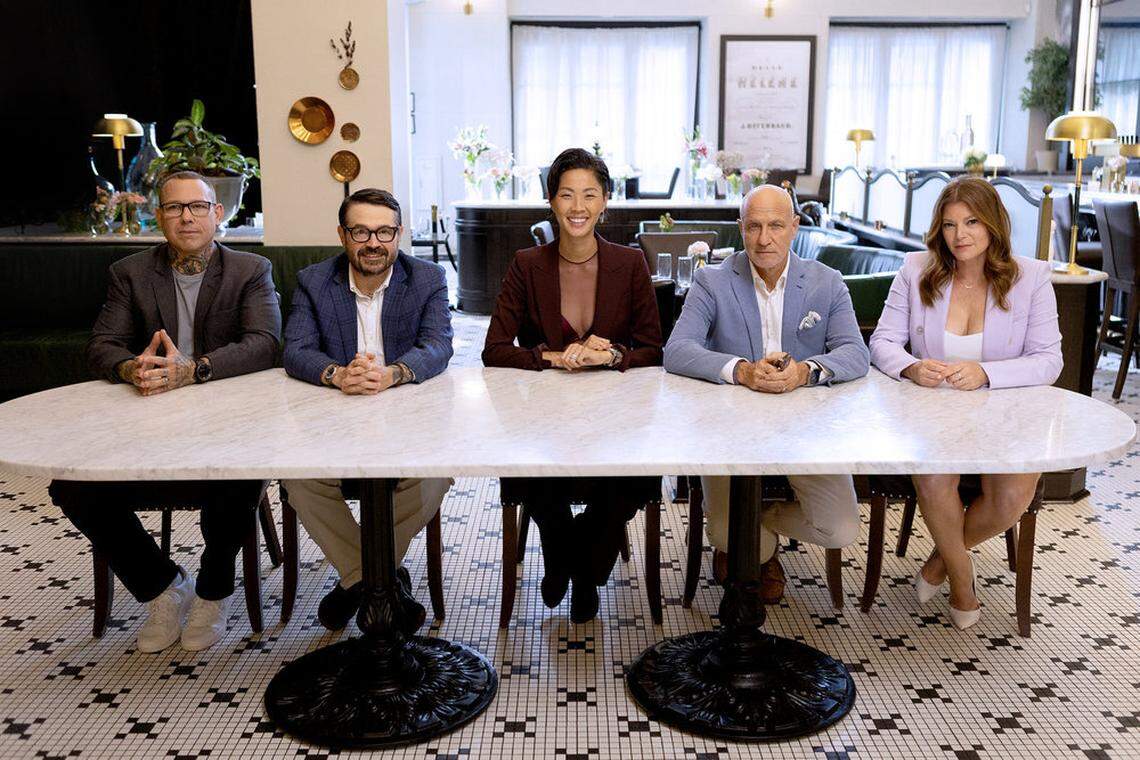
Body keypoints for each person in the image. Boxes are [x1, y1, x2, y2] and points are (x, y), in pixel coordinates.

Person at [50, 170, 281, 653]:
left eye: (197, 207)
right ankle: (163, 588)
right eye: (175, 208)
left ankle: (214, 592)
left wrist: (194, 369)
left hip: (225, 422)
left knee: (236, 479)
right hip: (146, 423)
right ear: (160, 217)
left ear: (218, 214)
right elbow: (101, 346)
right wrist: (133, 368)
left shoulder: (250, 270)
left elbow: (265, 343)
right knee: (71, 486)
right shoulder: (129, 272)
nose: (187, 217)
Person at [869, 176, 1062, 629]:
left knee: (1012, 496)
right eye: (951, 224)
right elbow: (882, 343)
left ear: (993, 223)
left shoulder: (1031, 277)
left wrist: (987, 373)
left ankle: (938, 562)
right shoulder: (916, 270)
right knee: (935, 479)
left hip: (1007, 414)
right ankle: (961, 583)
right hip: (933, 414)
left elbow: (1049, 360)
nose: (961, 235)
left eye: (972, 221)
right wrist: (911, 367)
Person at [482, 148, 663, 623]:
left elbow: (653, 349)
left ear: (606, 201)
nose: (578, 206)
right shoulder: (526, 264)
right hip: (542, 418)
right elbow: (494, 348)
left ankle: (578, 568)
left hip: (617, 418)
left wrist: (613, 355)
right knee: (534, 470)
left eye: (589, 194)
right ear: (551, 200)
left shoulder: (630, 264)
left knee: (637, 476)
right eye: (566, 194)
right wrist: (549, 356)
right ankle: (574, 561)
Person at [664, 185, 868, 603]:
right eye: (754, 226)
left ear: (794, 227)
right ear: (741, 229)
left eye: (776, 225)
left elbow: (855, 352)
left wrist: (805, 372)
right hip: (728, 429)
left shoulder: (826, 283)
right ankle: (753, 549)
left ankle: (760, 532)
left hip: (806, 428)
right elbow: (677, 350)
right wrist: (740, 371)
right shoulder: (712, 280)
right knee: (725, 533)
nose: (764, 238)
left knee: (841, 528)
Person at [282, 187, 453, 635]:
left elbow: (438, 346)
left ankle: (356, 581)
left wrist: (394, 374)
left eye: (384, 232)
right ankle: (379, 582)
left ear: (399, 235)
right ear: (343, 235)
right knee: (299, 479)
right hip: (334, 418)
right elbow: (296, 350)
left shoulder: (428, 278)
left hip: (406, 418)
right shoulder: (313, 281)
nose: (373, 242)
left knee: (436, 473)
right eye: (361, 231)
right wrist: (337, 375)